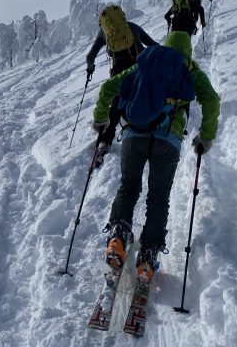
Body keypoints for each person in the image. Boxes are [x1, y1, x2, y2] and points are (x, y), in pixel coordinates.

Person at [90, 31, 220, 282]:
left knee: (128, 186)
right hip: (168, 140)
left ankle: (118, 235)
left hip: (133, 135)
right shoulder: (191, 70)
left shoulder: (146, 60)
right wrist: (205, 137)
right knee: (158, 197)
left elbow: (109, 87)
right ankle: (148, 255)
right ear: (188, 50)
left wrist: (101, 119)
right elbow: (211, 100)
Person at [85, 4, 159, 167]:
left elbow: (90, 56)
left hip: (118, 74)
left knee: (116, 106)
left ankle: (105, 142)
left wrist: (90, 68)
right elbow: (154, 46)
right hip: (139, 69)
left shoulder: (104, 34)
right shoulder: (132, 28)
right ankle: (151, 133)